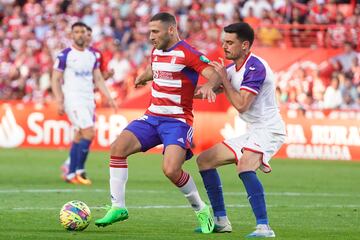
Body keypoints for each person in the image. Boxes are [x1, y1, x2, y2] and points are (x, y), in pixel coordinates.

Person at [95, 12, 221, 233]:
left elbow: (214, 73)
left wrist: (211, 85)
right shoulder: (157, 51)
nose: (151, 36)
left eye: (155, 31)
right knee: (117, 148)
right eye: (149, 31)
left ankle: (201, 209)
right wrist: (143, 77)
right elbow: (155, 68)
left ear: (171, 29)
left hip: (178, 121)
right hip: (152, 117)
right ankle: (118, 207)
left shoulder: (188, 53)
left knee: (171, 170)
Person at [196, 22, 286, 237]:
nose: (224, 47)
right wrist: (173, 85)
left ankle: (264, 227)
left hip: (269, 129)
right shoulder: (229, 69)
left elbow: (242, 104)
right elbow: (204, 90)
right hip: (254, 130)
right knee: (205, 160)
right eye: (223, 42)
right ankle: (221, 221)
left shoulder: (256, 67)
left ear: (245, 45)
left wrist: (223, 82)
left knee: (245, 166)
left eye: (230, 42)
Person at [52, 22, 116, 185]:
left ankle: (71, 173)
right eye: (77, 32)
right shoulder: (64, 55)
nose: (80, 34)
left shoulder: (91, 56)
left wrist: (108, 97)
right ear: (71, 35)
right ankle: (79, 171)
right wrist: (60, 100)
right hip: (73, 100)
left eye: (82, 32)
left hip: (88, 99)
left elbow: (98, 78)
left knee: (79, 134)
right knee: (89, 133)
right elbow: (55, 79)